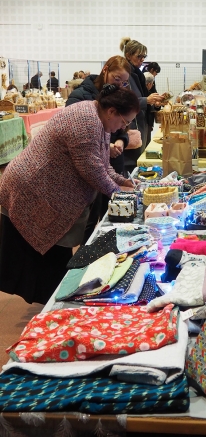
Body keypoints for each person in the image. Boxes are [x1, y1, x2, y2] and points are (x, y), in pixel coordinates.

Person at [0, 85, 139, 305]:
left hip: (42, 189)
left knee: (51, 259)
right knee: (45, 257)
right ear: (112, 111)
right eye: (124, 121)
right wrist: (122, 196)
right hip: (32, 191)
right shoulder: (86, 121)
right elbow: (92, 170)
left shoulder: (97, 118)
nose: (123, 127)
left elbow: (101, 163)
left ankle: (52, 302)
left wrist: (124, 182)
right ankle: (52, 308)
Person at [66, 55, 131, 241]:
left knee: (104, 214)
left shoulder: (106, 108)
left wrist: (121, 141)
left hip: (103, 163)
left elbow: (119, 130)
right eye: (117, 79)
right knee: (89, 218)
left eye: (124, 82)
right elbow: (89, 162)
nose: (120, 85)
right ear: (105, 70)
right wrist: (123, 195)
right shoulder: (84, 106)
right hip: (75, 178)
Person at [120, 37, 164, 173]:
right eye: (139, 56)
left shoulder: (137, 74)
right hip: (131, 126)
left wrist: (155, 103)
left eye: (144, 57)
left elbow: (141, 99)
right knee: (132, 166)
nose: (142, 60)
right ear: (128, 55)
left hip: (141, 124)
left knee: (138, 163)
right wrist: (147, 100)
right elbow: (126, 101)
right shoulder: (125, 74)